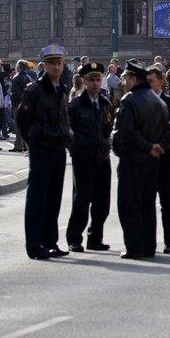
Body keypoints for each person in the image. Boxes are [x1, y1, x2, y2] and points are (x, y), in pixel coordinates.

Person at [16, 44, 72, 260]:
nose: (56, 67)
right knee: (37, 198)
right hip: (42, 148)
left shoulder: (62, 89)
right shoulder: (35, 90)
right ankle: (34, 244)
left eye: (59, 63)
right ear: (44, 66)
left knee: (53, 198)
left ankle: (50, 241)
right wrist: (33, 141)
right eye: (52, 64)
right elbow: (23, 119)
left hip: (58, 148)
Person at [112, 60, 170, 259]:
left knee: (130, 205)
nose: (123, 82)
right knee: (148, 204)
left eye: (125, 79)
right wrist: (158, 147)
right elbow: (169, 129)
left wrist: (148, 147)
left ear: (133, 79)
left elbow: (128, 131)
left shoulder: (130, 100)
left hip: (133, 159)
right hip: (152, 161)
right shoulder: (158, 100)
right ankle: (148, 246)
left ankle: (134, 247)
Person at [65, 62, 113, 253]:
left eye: (98, 79)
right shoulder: (76, 105)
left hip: (102, 157)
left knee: (102, 202)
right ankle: (74, 238)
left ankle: (95, 238)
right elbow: (68, 130)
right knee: (82, 200)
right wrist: (76, 149)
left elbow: (108, 128)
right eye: (91, 80)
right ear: (83, 82)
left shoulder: (105, 104)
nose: (95, 83)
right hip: (83, 159)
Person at [147, 67, 170, 254]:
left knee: (166, 201)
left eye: (152, 81)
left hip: (165, 160)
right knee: (146, 202)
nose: (149, 85)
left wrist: (162, 148)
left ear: (161, 81)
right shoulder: (142, 102)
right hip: (146, 160)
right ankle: (148, 241)